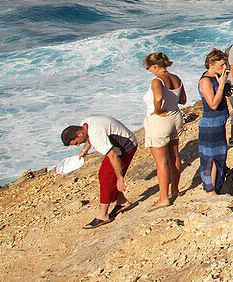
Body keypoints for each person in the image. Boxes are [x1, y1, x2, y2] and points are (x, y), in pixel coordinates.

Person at [61, 116, 137, 228]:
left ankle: (103, 215)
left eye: (76, 142)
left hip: (126, 147)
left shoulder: (96, 135)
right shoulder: (85, 124)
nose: (78, 145)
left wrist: (120, 178)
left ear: (79, 134)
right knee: (103, 174)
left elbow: (112, 155)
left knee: (107, 178)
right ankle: (122, 201)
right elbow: (89, 139)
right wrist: (84, 151)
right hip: (120, 144)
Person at [142, 52, 186, 209]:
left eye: (148, 68)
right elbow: (183, 100)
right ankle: (175, 189)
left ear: (154, 66)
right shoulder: (176, 78)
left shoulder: (157, 80)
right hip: (176, 117)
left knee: (161, 162)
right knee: (174, 155)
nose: (149, 71)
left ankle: (163, 198)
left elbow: (158, 97)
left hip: (161, 121)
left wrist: (158, 109)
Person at [198, 49, 231, 194]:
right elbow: (212, 104)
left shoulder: (216, 77)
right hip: (210, 124)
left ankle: (217, 185)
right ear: (211, 64)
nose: (224, 68)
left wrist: (225, 89)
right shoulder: (205, 81)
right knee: (211, 157)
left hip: (219, 123)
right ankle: (210, 189)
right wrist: (222, 85)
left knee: (220, 154)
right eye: (221, 65)